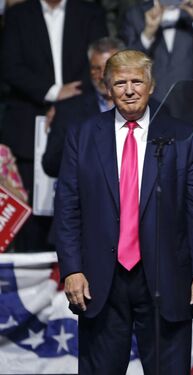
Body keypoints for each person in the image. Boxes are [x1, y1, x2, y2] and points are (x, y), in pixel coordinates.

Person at [54, 50, 193, 373]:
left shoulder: (182, 135)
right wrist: (71, 269)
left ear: (152, 85)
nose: (129, 90)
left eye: (136, 82)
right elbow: (68, 209)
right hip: (100, 280)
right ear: (107, 88)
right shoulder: (83, 135)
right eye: (120, 83)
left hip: (166, 277)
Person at [1, 0, 107, 251]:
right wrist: (54, 93)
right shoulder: (19, 15)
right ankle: (35, 287)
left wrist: (68, 104)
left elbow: (100, 65)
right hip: (28, 127)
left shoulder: (89, 12)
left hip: (81, 122)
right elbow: (10, 66)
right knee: (32, 223)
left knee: (81, 214)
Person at [119, 0, 193, 121]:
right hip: (149, 112)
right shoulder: (136, 14)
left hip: (192, 113)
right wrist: (148, 34)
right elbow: (126, 69)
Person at [43, 37, 126, 178]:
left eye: (109, 68)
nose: (102, 76)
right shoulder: (68, 111)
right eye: (96, 69)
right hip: (87, 195)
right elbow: (50, 164)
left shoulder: (145, 108)